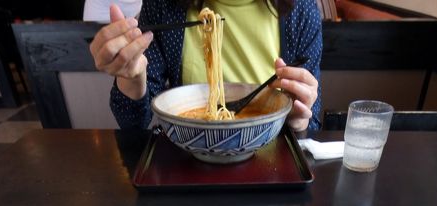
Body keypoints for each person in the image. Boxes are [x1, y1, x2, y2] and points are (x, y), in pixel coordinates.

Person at [89, 0, 321, 131]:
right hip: (186, 161)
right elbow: (133, 124)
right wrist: (132, 77)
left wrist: (300, 121)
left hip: (270, 164)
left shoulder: (301, 10)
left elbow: (312, 122)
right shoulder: (163, 5)